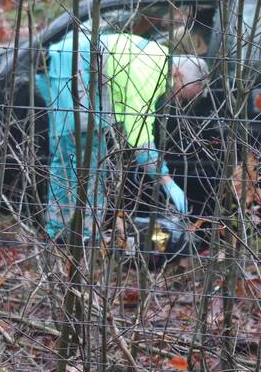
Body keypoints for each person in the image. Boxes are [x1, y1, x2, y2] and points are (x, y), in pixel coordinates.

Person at [37, 25, 207, 241]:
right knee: (74, 156)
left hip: (87, 75)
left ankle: (86, 234)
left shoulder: (159, 61)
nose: (179, 100)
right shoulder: (148, 71)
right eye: (183, 94)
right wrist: (165, 179)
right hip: (68, 68)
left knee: (93, 165)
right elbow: (139, 132)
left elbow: (142, 118)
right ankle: (64, 235)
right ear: (179, 74)